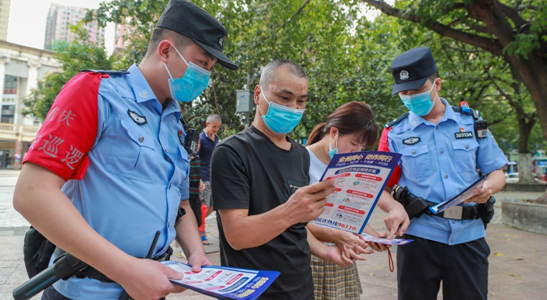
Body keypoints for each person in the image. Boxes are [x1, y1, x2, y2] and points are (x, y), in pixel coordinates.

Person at [12, 1, 238, 299]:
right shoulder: (95, 93)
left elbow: (180, 203)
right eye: (202, 63)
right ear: (166, 50)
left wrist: (196, 254)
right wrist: (127, 271)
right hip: (86, 290)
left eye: (210, 69)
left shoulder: (176, 124)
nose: (206, 76)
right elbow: (32, 194)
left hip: (149, 289)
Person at [210, 59, 355, 300]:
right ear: (258, 94)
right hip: (254, 291)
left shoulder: (300, 155)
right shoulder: (231, 152)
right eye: (284, 98)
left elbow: (296, 227)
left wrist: (326, 251)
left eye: (301, 101)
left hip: (300, 288)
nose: (293, 108)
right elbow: (236, 235)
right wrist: (291, 211)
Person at [378, 46, 507, 300]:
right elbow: (380, 189)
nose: (411, 97)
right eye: (404, 93)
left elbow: (497, 172)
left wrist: (489, 188)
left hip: (468, 238)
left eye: (417, 90)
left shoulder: (472, 124)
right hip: (418, 240)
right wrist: (394, 208)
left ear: (437, 84)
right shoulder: (394, 134)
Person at [305, 101, 391, 300]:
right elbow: (296, 221)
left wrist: (374, 237)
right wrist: (335, 235)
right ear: (334, 132)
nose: (357, 152)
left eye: (362, 147)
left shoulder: (350, 165)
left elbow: (351, 211)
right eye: (354, 143)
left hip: (342, 257)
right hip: (313, 257)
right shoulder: (302, 159)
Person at [197, 114, 221, 245]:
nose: (216, 129)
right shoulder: (201, 139)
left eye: (218, 127)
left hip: (213, 177)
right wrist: (198, 178)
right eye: (214, 126)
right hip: (204, 177)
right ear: (207, 124)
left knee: (213, 205)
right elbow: (196, 159)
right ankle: (201, 232)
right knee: (204, 206)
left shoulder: (216, 138)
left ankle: (196, 225)